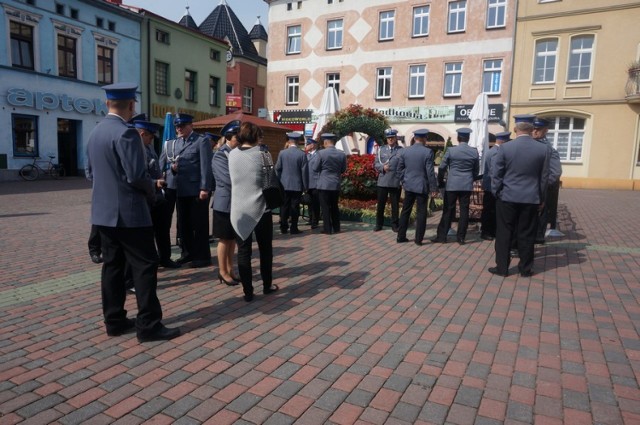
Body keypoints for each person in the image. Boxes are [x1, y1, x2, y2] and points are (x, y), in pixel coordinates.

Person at [85, 82, 180, 342]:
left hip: (103, 215)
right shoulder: (126, 134)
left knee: (112, 268)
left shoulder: (95, 133)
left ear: (107, 104)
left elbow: (90, 173)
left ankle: (114, 321)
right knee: (145, 266)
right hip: (129, 213)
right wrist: (152, 190)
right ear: (131, 105)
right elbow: (137, 176)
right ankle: (148, 325)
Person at [489, 115, 550, 277]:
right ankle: (525, 268)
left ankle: (502, 268)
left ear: (516, 129)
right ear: (532, 129)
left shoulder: (505, 148)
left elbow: (497, 174)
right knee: (527, 233)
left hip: (507, 197)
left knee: (504, 233)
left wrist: (497, 192)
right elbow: (544, 178)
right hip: (530, 198)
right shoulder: (543, 149)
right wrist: (542, 198)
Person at [228, 122, 279, 302]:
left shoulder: (231, 154)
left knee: (243, 252)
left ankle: (247, 292)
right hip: (261, 209)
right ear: (257, 136)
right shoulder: (263, 154)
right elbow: (270, 181)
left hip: (238, 210)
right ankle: (267, 285)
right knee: (265, 250)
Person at [160, 113, 213, 268]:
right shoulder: (174, 143)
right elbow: (169, 165)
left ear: (190, 125)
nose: (179, 129)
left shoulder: (200, 141)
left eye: (182, 126)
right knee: (184, 225)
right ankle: (187, 254)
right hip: (180, 189)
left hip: (196, 190)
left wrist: (205, 187)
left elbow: (205, 166)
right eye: (177, 126)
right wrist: (173, 170)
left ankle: (203, 257)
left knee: (199, 224)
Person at [133, 118, 180, 269]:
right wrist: (155, 182)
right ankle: (150, 261)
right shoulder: (134, 150)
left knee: (163, 229)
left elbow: (156, 167)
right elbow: (138, 176)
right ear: (141, 134)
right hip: (145, 197)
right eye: (150, 136)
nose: (152, 139)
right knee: (147, 233)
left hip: (157, 196)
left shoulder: (149, 148)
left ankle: (165, 258)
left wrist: (161, 178)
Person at [432, 128, 480, 245]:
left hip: (452, 184)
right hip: (466, 184)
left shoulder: (451, 150)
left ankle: (442, 236)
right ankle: (461, 237)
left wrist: (440, 181)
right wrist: (470, 178)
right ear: (468, 139)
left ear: (458, 138)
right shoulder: (474, 152)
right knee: (464, 211)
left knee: (448, 210)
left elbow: (442, 167)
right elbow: (476, 171)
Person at [396, 129, 439, 246]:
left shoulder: (405, 151)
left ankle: (400, 236)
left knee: (405, 211)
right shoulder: (428, 152)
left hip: (408, 185)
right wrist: (434, 188)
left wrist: (403, 181)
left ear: (415, 138)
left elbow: (399, 169)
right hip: (421, 186)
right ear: (425, 138)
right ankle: (418, 239)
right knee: (421, 213)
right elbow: (430, 172)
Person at [211, 121, 241, 286]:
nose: (240, 140)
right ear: (229, 137)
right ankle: (222, 272)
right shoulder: (221, 155)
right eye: (237, 137)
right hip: (224, 203)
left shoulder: (235, 153)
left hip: (234, 202)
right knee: (224, 239)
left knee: (232, 239)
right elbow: (227, 180)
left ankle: (231, 269)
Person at [532, 117, 562, 244]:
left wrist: (543, 184)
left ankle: (538, 236)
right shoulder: (526, 145)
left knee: (541, 213)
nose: (534, 132)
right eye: (533, 129)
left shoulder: (549, 149)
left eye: (538, 129)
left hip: (540, 189)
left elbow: (555, 171)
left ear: (545, 131)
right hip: (526, 188)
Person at [313, 133, 347, 235]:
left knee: (325, 207)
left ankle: (327, 229)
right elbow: (343, 169)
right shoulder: (341, 154)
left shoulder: (321, 153)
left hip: (324, 184)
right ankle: (336, 227)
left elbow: (315, 168)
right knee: (334, 206)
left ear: (326, 142)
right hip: (335, 183)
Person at [480, 131, 510, 241]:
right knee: (490, 210)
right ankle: (487, 231)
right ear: (503, 141)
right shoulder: (496, 152)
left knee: (491, 209)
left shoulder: (492, 151)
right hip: (492, 186)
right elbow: (495, 172)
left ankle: (490, 231)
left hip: (490, 185)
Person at [275, 132, 307, 234]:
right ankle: (294, 227)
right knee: (295, 206)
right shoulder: (302, 154)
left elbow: (277, 168)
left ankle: (283, 227)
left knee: (284, 206)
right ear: (297, 141)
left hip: (284, 184)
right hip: (297, 185)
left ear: (289, 141)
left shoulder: (282, 153)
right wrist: (305, 186)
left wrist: (280, 180)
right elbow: (304, 172)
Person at [373, 128, 403, 232]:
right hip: (383, 181)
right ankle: (378, 224)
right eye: (388, 138)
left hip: (395, 181)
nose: (390, 140)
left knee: (395, 205)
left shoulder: (401, 150)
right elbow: (376, 163)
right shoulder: (381, 149)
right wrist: (382, 168)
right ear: (386, 139)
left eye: (392, 138)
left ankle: (395, 225)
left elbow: (404, 166)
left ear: (395, 138)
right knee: (381, 205)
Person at [304, 138, 321, 229]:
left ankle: (315, 221)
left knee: (315, 203)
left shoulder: (318, 155)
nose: (306, 146)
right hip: (308, 183)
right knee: (309, 203)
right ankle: (310, 219)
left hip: (315, 183)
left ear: (312, 145)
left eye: (307, 144)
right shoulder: (306, 155)